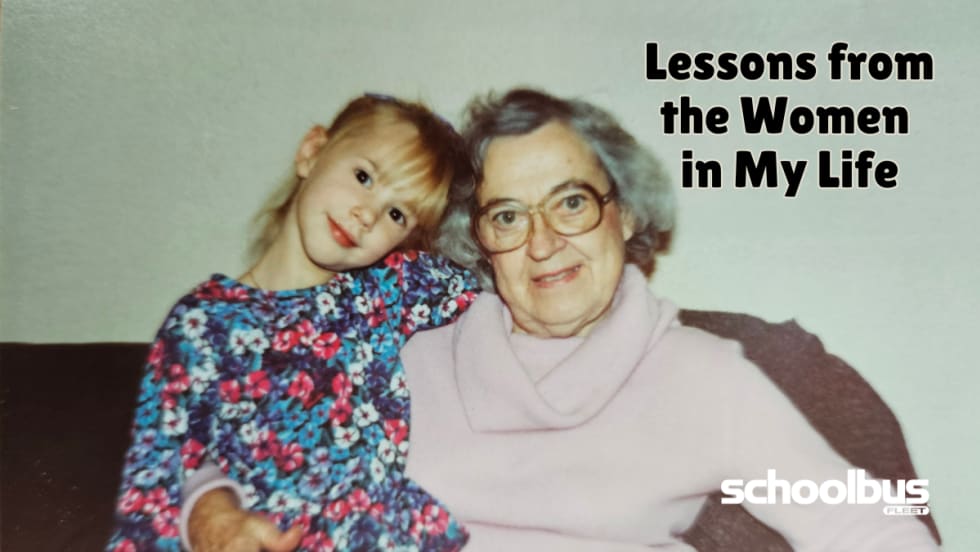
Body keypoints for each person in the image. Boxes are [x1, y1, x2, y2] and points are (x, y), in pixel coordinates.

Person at [184, 89, 940, 550]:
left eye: (571, 202)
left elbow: (865, 527)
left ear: (627, 210)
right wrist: (209, 510)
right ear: (477, 240)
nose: (543, 243)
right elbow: (232, 445)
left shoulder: (707, 378)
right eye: (508, 215)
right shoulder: (402, 351)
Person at [107, 94, 479, 552]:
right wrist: (215, 522)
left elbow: (513, 286)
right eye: (364, 177)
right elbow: (155, 479)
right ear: (311, 152)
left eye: (397, 214)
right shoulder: (202, 324)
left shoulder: (389, 290)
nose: (368, 214)